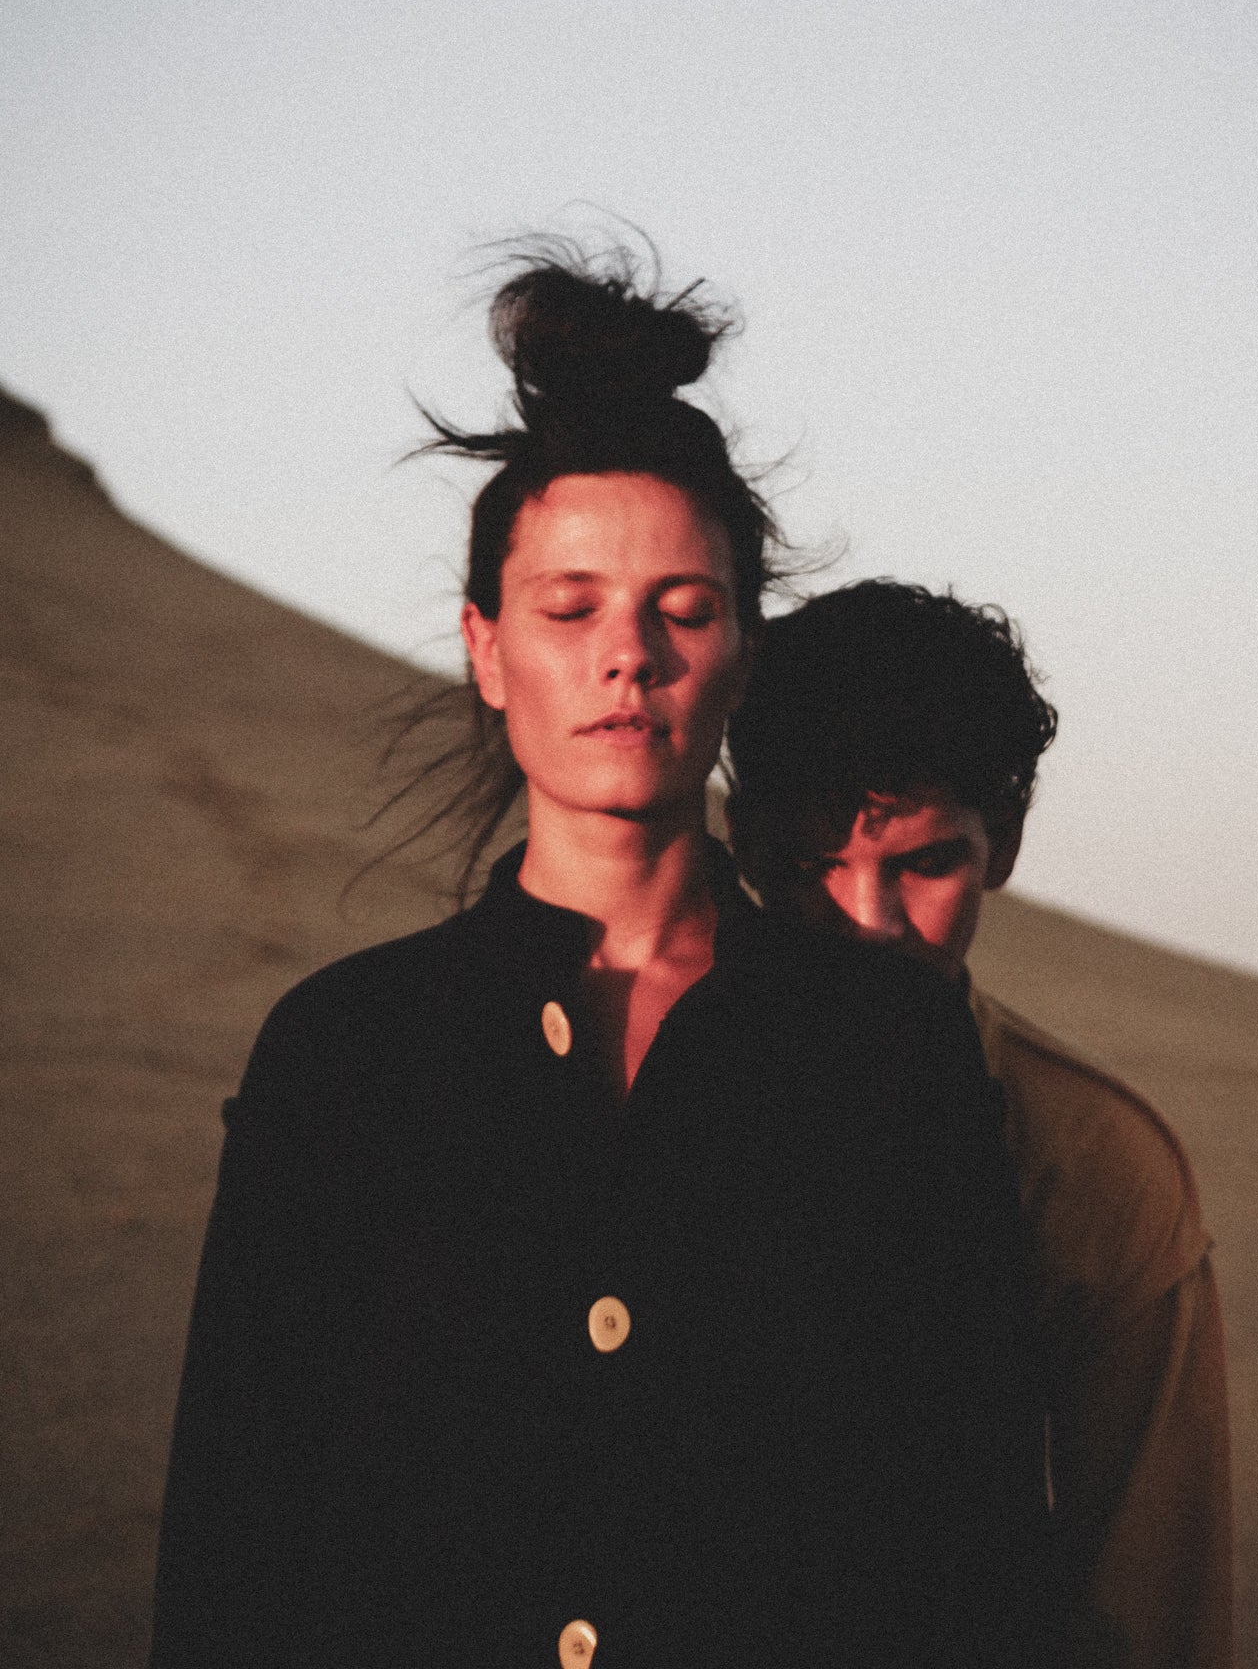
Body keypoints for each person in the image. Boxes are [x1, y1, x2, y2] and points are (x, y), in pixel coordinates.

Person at [150, 251, 1051, 1669]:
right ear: (487, 650)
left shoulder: (883, 1050)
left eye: (682, 612)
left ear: (744, 656)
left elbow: (969, 1542)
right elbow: (237, 1549)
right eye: (569, 611)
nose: (625, 656)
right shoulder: (344, 1054)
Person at [725, 579, 1234, 1669]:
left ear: (1001, 844)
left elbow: (1147, 1605)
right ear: (745, 844)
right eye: (816, 865)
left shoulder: (1092, 1159)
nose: (868, 922)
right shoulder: (638, 1085)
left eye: (922, 862)